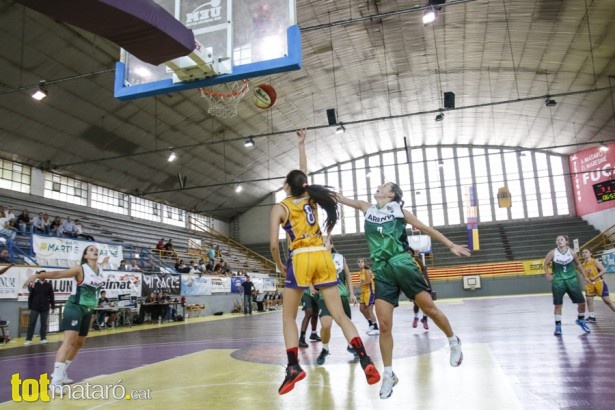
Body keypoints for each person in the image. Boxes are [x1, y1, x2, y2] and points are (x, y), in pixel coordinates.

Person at [269, 129, 380, 395]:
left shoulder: (280, 207)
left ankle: (293, 367)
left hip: (301, 258)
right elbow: (303, 174)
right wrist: (302, 144)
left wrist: (279, 264)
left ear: (286, 186)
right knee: (339, 315)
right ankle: (365, 359)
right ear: (304, 185)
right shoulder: (311, 197)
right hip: (323, 255)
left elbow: (274, 244)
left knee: (288, 317)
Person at [337, 181, 470, 399]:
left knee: (430, 309)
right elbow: (341, 199)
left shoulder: (400, 211)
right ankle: (389, 374)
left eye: (383, 186)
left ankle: (453, 340)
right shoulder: (366, 207)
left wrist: (450, 244)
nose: (378, 187)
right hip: (381, 269)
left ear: (390, 194)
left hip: (402, 263)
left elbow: (426, 229)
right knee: (385, 325)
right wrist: (324, 192)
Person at [22, 245, 108, 392]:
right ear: (85, 256)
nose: (95, 250)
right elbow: (58, 274)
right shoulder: (79, 269)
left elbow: (102, 264)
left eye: (96, 249)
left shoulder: (100, 269)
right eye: (91, 249)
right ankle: (55, 381)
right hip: (74, 307)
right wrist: (37, 276)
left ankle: (62, 373)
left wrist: (105, 261)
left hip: (88, 310)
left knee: (79, 344)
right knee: (69, 342)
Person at [315, 239, 358, 365]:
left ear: (332, 245)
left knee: (346, 324)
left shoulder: (339, 257)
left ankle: (351, 345)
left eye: (326, 241)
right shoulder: (316, 258)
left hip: (342, 295)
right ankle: (325, 348)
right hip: (325, 296)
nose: (323, 243)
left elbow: (348, 275)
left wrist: (351, 293)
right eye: (321, 242)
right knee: (326, 325)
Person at [543, 235, 591, 336]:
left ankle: (581, 320)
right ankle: (558, 327)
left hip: (572, 280)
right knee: (558, 305)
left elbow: (578, 264)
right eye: (557, 240)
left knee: (582, 304)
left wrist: (585, 276)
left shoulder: (572, 252)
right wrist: (547, 274)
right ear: (556, 242)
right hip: (558, 281)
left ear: (566, 242)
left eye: (561, 239)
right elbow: (545, 264)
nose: (559, 241)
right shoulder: (553, 253)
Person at [582, 248, 615, 323]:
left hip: (599, 283)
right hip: (590, 284)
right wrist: (585, 281)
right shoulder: (584, 264)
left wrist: (595, 277)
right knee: (589, 300)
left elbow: (604, 270)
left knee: (607, 301)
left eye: (586, 252)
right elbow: (584, 275)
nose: (584, 253)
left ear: (590, 253)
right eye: (583, 252)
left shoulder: (595, 261)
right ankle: (591, 317)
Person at [25, 271, 55, 345]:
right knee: (32, 323)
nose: (44, 275)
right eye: (42, 274)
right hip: (35, 307)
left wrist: (53, 307)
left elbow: (51, 296)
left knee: (44, 323)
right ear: (39, 275)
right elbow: (30, 295)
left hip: (45, 307)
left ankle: (43, 338)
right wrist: (30, 306)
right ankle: (28, 339)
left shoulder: (49, 285)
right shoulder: (34, 284)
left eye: (45, 274)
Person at [407, 246, 433, 330]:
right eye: (407, 252)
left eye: (410, 252)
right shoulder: (404, 262)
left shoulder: (417, 260)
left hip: (421, 283)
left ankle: (424, 319)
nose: (408, 254)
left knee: (426, 303)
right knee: (416, 303)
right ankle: (416, 317)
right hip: (412, 285)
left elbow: (424, 271)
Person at [357, 258, 379, 335]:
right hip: (363, 293)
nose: (360, 263)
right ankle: (370, 324)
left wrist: (360, 285)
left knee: (369, 310)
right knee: (362, 309)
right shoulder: (360, 272)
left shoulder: (367, 271)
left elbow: (369, 281)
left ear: (365, 263)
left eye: (362, 262)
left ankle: (376, 328)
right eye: (359, 262)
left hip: (369, 292)